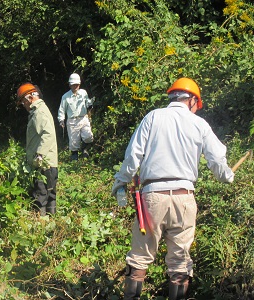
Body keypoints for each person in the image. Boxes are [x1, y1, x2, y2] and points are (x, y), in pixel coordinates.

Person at [111, 78, 234, 300]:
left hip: (152, 198)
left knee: (139, 256)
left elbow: (133, 154)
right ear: (193, 100)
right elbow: (218, 160)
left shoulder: (153, 117)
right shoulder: (199, 124)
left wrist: (121, 180)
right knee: (180, 260)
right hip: (184, 198)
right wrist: (227, 176)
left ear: (173, 96)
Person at [16, 83, 58, 216]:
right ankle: (51, 227)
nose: (23, 105)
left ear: (30, 98)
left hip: (43, 164)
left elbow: (48, 134)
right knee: (50, 196)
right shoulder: (40, 110)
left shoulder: (39, 112)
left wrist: (39, 155)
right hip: (49, 163)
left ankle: (40, 228)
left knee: (40, 197)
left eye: (23, 101)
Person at [58, 73, 95, 160]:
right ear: (70, 85)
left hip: (83, 118)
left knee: (88, 136)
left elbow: (87, 102)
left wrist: (90, 104)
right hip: (72, 121)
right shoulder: (65, 97)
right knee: (74, 142)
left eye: (77, 84)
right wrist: (61, 120)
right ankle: (74, 157)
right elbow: (62, 109)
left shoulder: (83, 93)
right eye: (74, 84)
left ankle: (84, 149)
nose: (76, 86)